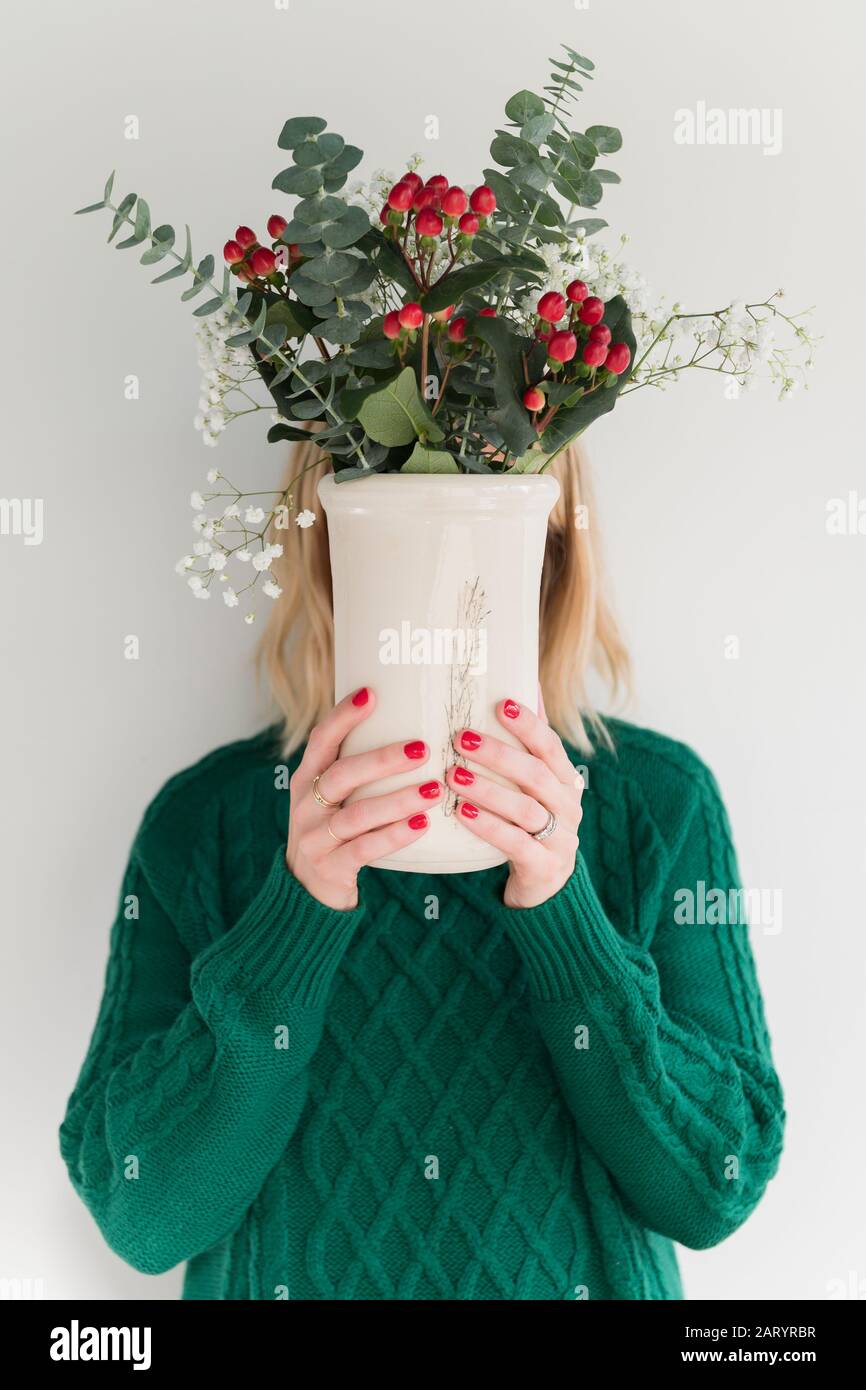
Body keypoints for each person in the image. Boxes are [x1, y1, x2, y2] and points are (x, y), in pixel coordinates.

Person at [59, 440, 785, 1300]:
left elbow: (715, 1191)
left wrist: (567, 916)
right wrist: (294, 919)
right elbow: (143, 1215)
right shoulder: (206, 826)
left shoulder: (659, 808)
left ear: (549, 539)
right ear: (329, 541)